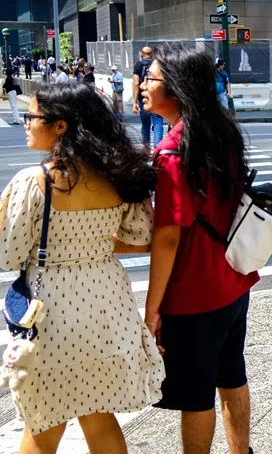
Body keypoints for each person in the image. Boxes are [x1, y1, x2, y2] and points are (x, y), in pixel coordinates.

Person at [0, 82, 164, 453]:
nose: (26, 122)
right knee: (98, 414)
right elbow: (141, 235)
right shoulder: (119, 176)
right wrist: (94, 243)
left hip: (54, 309)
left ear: (61, 126)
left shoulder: (35, 181)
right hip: (107, 302)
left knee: (43, 422)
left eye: (32, 116)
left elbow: (7, 255)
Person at [141, 47, 257, 454]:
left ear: (175, 88)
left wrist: (152, 308)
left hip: (194, 295)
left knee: (195, 396)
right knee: (232, 375)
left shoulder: (173, 152)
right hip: (234, 280)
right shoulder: (220, 130)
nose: (142, 84)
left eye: (151, 79)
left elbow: (168, 237)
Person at [133, 46, 165, 147]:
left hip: (143, 98)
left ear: (141, 54)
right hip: (156, 96)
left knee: (145, 125)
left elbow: (136, 83)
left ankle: (146, 148)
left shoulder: (139, 65)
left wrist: (134, 102)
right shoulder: (157, 64)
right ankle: (157, 148)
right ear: (151, 54)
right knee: (158, 122)